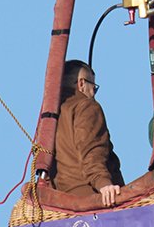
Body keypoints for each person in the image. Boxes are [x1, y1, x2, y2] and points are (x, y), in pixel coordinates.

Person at [52, 60, 123, 205]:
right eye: (94, 88)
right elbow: (92, 149)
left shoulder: (49, 116)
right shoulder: (86, 106)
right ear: (81, 84)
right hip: (90, 197)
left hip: (61, 202)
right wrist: (103, 183)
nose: (94, 94)